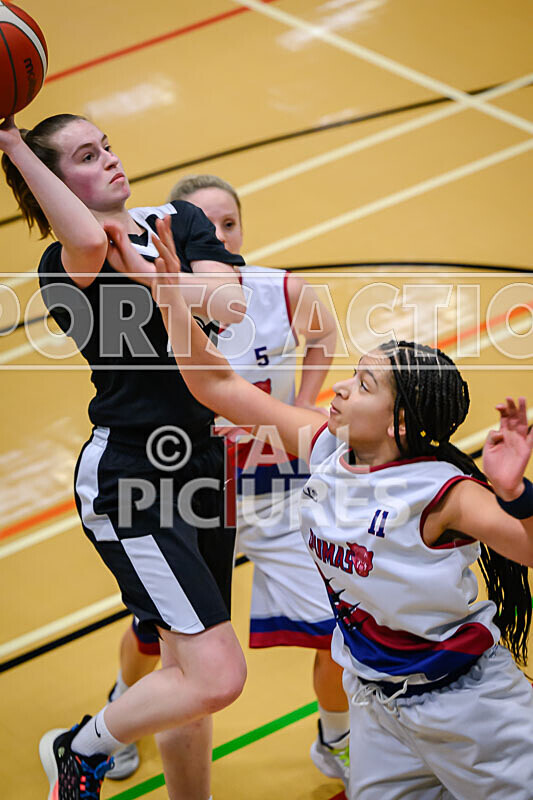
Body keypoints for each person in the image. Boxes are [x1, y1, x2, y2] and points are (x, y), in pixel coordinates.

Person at [107, 215, 533, 800]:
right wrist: (168, 295)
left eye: (363, 384)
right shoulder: (328, 448)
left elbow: (528, 549)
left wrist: (514, 493)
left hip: (467, 706)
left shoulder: (443, 492)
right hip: (379, 707)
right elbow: (218, 387)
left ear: (398, 423)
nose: (342, 387)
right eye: (353, 376)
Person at [0, 114, 249, 800]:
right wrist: (12, 141)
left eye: (106, 145)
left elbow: (229, 305)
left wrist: (149, 274)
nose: (110, 159)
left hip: (204, 465)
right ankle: (80, 749)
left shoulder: (178, 220)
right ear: (54, 182)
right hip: (133, 476)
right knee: (218, 675)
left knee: (187, 674)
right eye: (86, 156)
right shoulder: (62, 267)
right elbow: (87, 238)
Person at [107, 174, 351, 786]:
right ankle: (122, 709)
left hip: (276, 494)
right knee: (159, 638)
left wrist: (300, 405)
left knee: (338, 627)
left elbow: (324, 336)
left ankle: (337, 739)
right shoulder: (151, 303)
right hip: (191, 494)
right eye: (205, 225)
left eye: (229, 224)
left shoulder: (281, 289)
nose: (218, 234)